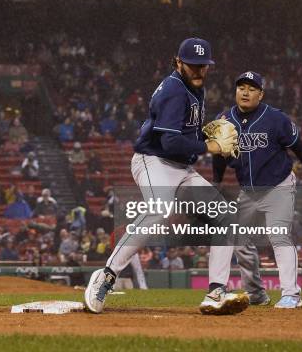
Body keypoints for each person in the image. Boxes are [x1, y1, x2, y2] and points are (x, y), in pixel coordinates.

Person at [84, 38, 245, 315]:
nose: (198, 70)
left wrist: (207, 134)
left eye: (203, 65)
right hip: (154, 160)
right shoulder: (173, 90)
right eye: (193, 65)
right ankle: (106, 276)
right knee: (160, 209)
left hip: (182, 168)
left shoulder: (195, 88)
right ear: (178, 62)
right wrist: (209, 145)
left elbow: (185, 134)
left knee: (226, 218)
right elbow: (169, 143)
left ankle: (216, 290)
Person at [210, 71, 302, 309]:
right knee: (239, 241)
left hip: (279, 187)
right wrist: (217, 181)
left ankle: (291, 294)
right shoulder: (223, 120)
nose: (245, 92)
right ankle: (256, 294)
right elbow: (220, 156)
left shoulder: (276, 119)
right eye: (241, 87)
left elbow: (300, 148)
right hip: (248, 191)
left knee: (279, 236)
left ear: (261, 94)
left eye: (252, 88)